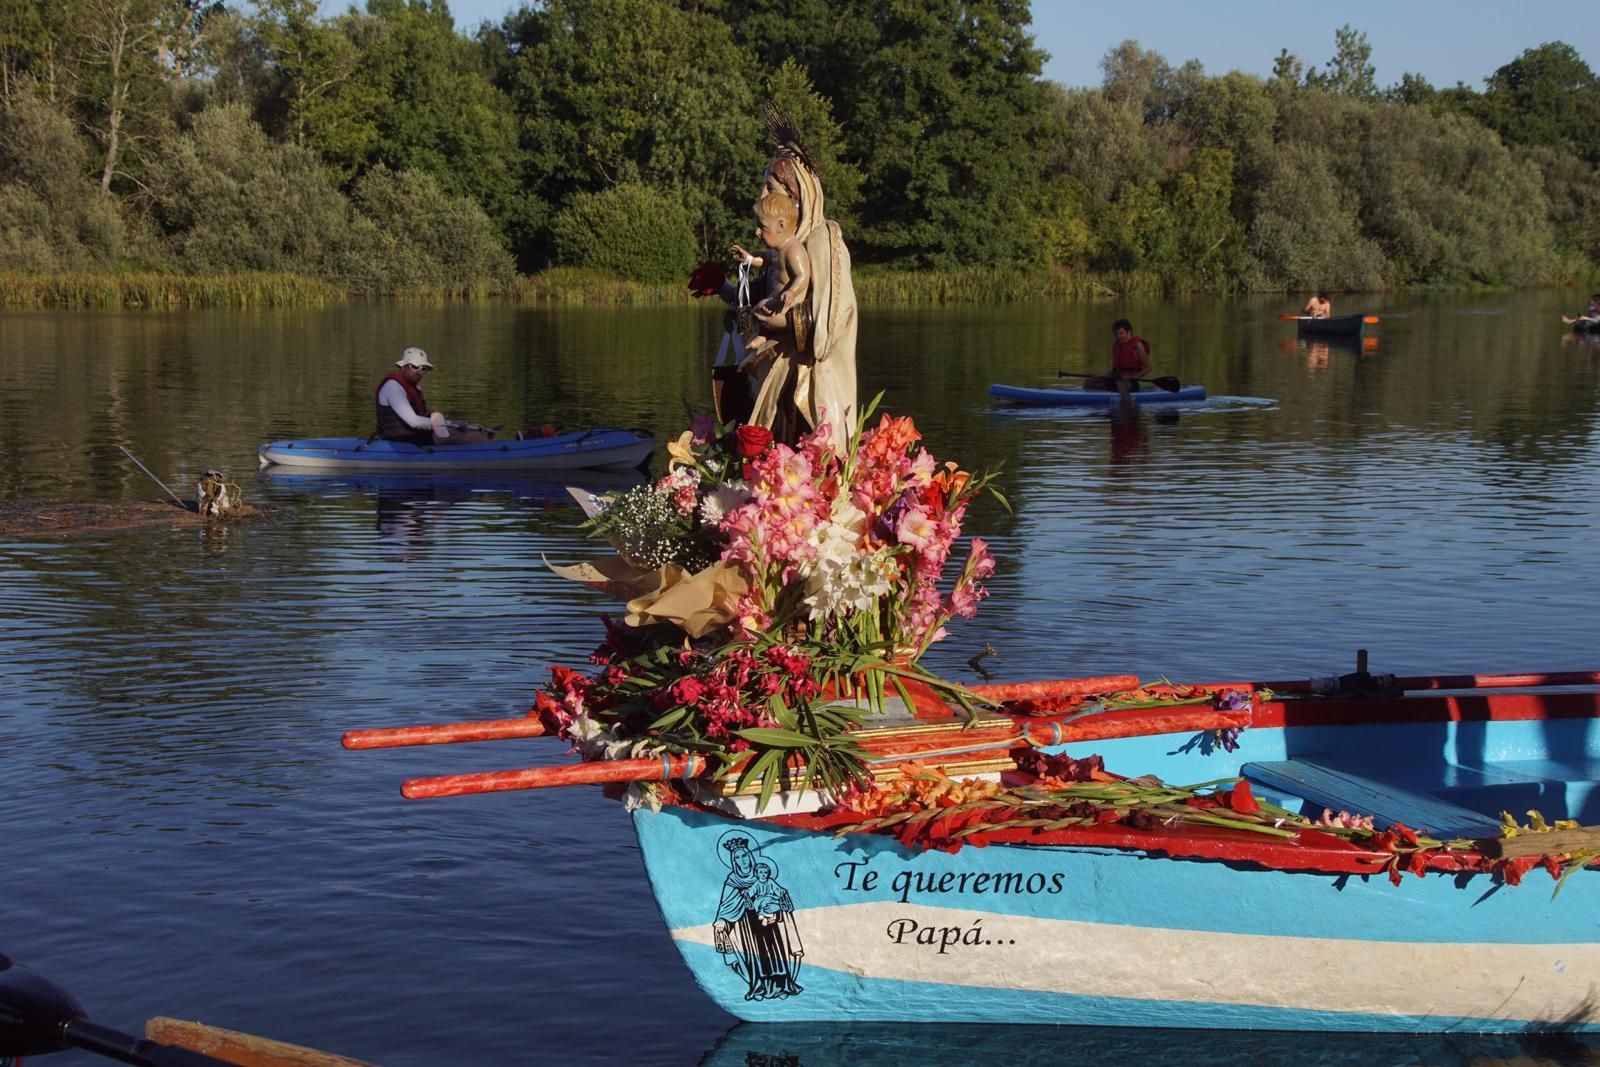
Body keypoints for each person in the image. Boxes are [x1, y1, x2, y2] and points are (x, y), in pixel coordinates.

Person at [375, 347, 491, 446]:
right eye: (414, 366)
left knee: (474, 431)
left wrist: (462, 425)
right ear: (403, 366)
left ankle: (486, 449)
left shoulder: (415, 389)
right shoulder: (393, 387)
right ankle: (491, 455)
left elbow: (426, 419)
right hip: (401, 441)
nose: (420, 372)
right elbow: (414, 422)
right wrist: (451, 425)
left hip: (417, 437)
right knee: (469, 438)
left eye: (424, 369)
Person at [1084, 319, 1152, 402]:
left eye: (1121, 333)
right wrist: (1102, 376)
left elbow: (1148, 368)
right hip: (1117, 380)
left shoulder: (1138, 345)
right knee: (1088, 383)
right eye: (1116, 333)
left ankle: (1128, 410)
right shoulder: (1116, 345)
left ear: (1129, 332)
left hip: (1132, 383)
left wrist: (1133, 378)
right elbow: (1115, 370)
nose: (1118, 336)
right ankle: (1102, 398)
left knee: (1121, 385)